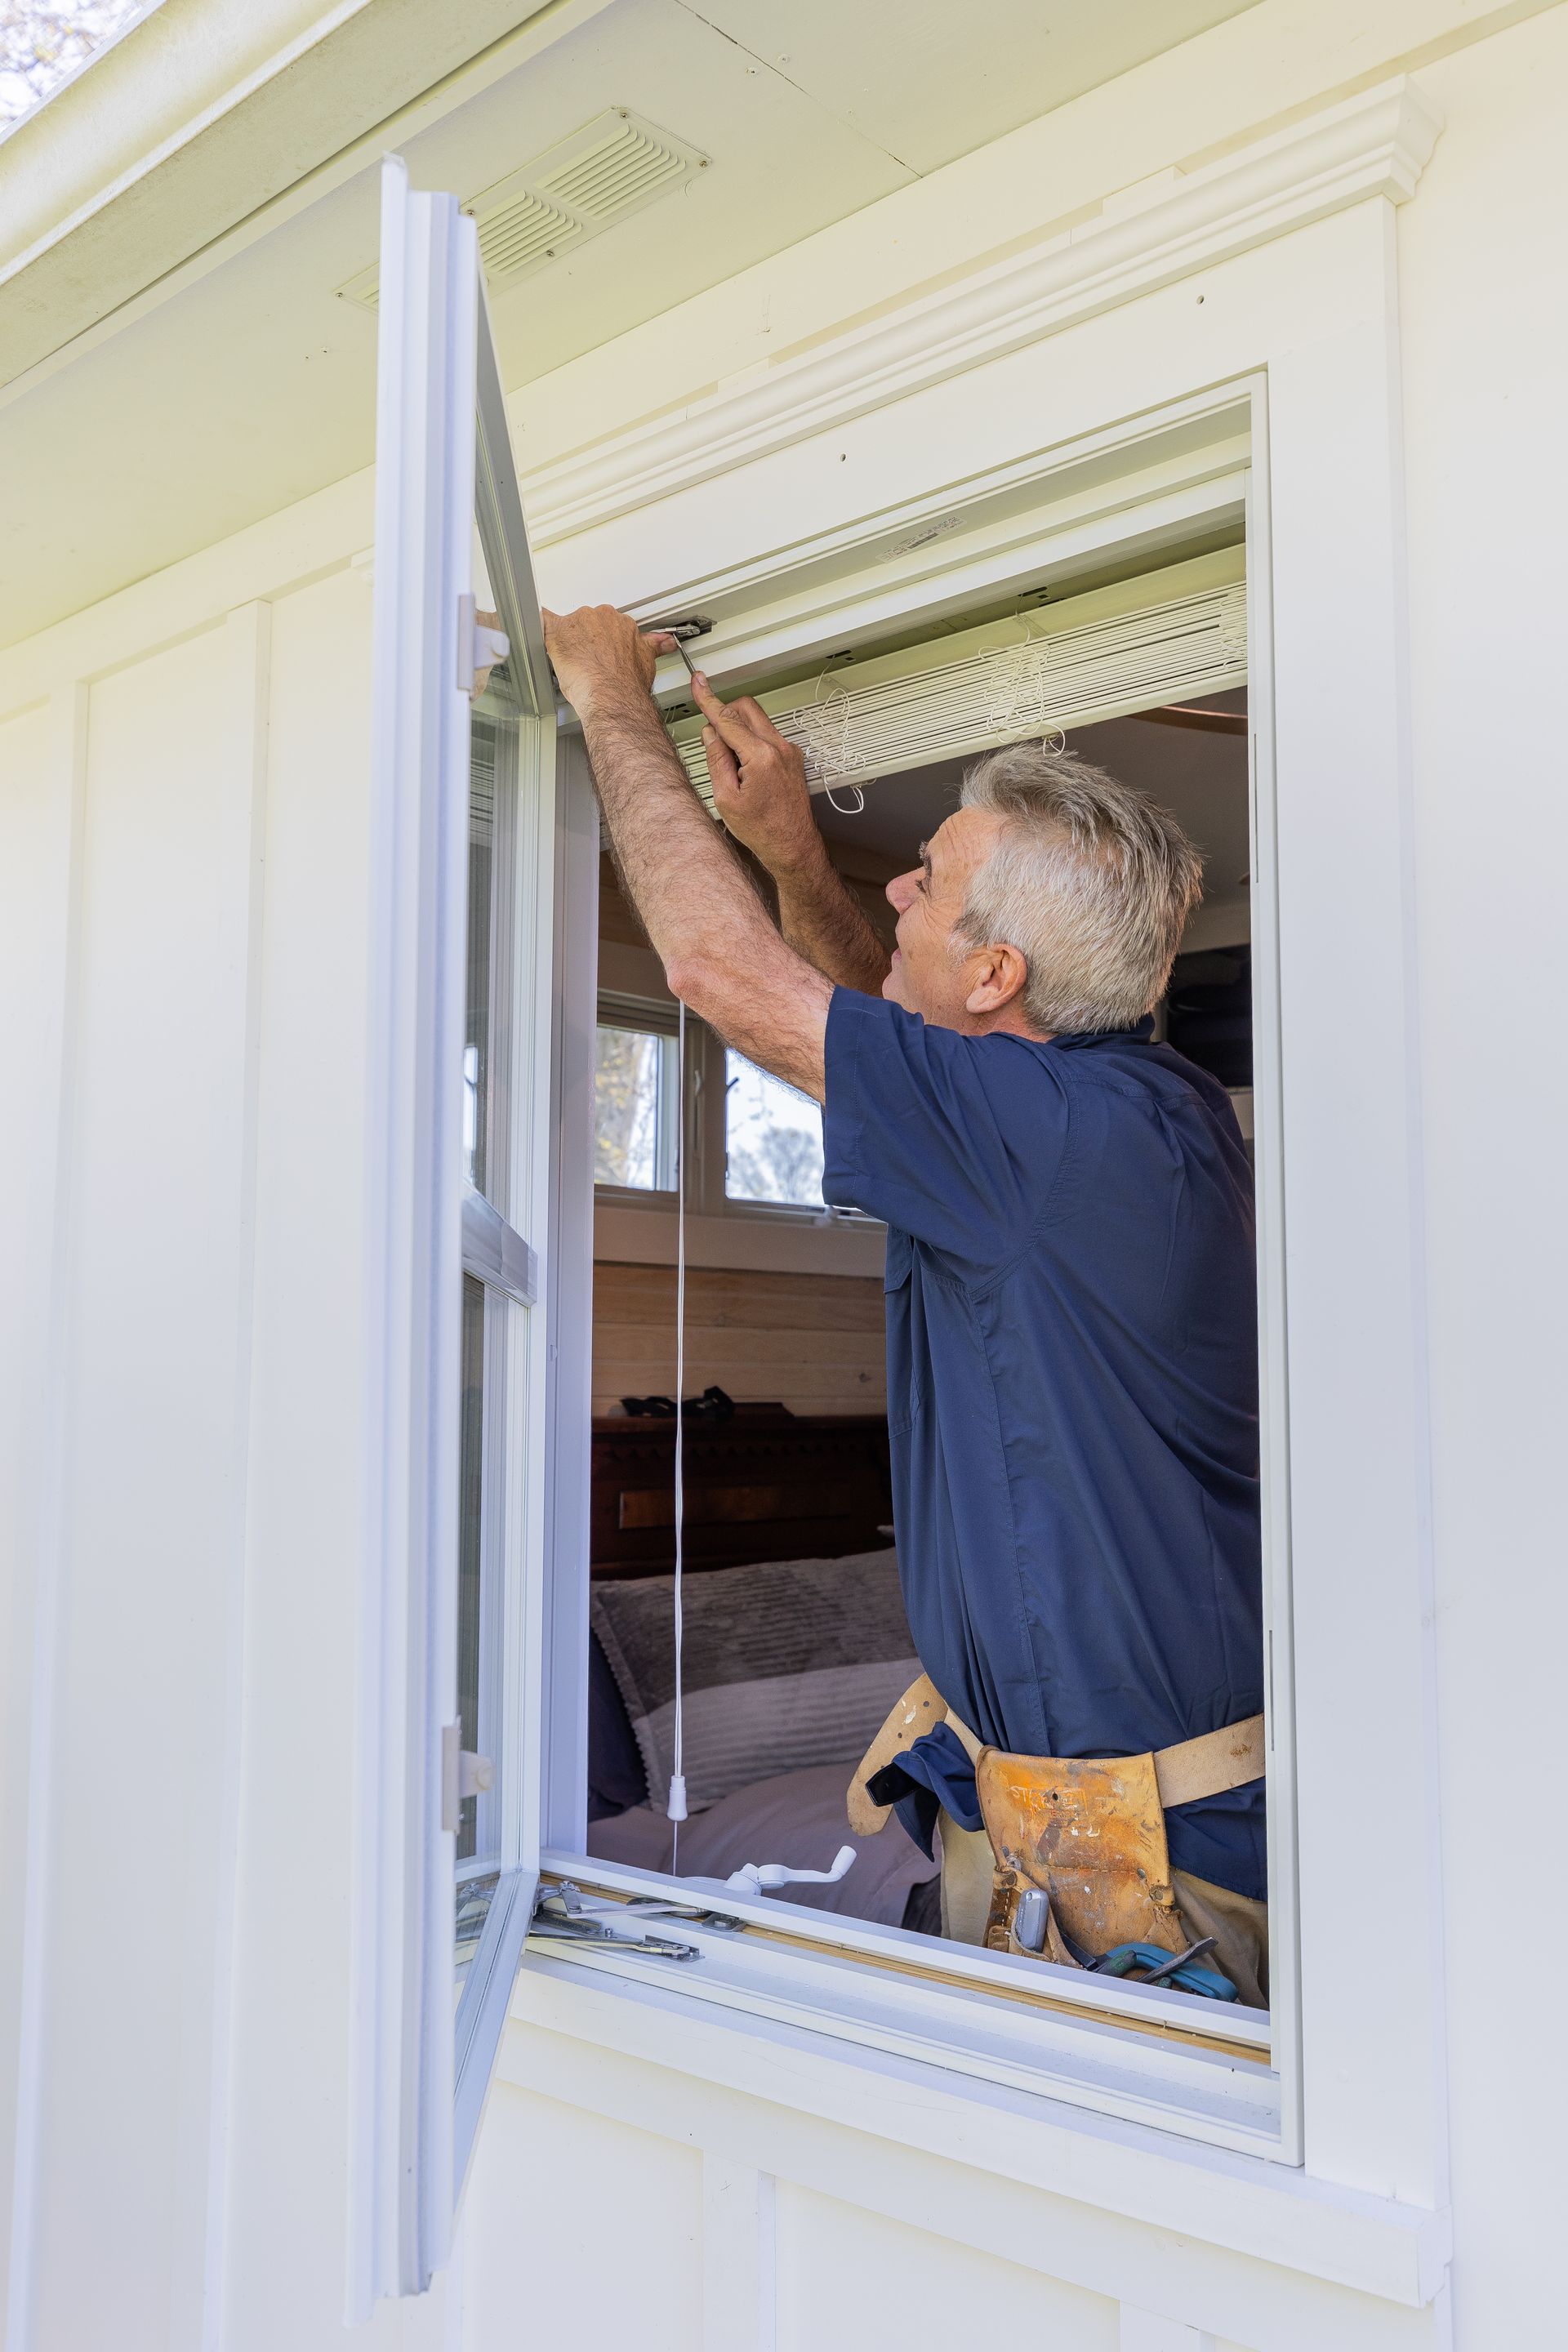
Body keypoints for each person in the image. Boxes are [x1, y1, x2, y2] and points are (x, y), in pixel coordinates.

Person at [543, 604, 1267, 2006]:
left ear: (999, 974)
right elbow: (895, 1020)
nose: (896, 897)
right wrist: (795, 855)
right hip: (1054, 1825)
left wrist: (611, 700)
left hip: (1143, 1878)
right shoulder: (1113, 1103)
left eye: (924, 885)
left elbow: (713, 973)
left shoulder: (1051, 1142)